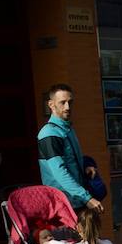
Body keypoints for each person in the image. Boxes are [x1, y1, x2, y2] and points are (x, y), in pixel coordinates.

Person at [38, 84, 103, 214]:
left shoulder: (66, 129)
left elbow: (70, 159)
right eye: (62, 102)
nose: (67, 107)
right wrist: (87, 198)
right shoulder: (49, 133)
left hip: (76, 200)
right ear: (51, 105)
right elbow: (59, 172)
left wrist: (84, 165)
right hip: (63, 206)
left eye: (70, 102)